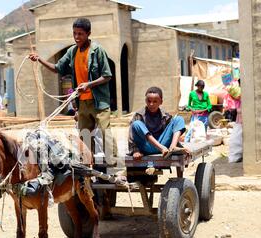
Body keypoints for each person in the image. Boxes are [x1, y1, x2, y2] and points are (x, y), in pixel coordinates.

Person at [29, 17, 116, 161]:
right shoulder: (72, 52)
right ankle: (91, 167)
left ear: (88, 33)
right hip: (82, 102)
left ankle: (116, 168)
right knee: (85, 137)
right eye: (74, 33)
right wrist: (39, 59)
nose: (76, 37)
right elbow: (57, 68)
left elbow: (107, 76)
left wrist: (88, 84)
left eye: (80, 34)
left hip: (98, 101)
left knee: (105, 132)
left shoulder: (97, 50)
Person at [128, 87, 189, 160]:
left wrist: (180, 148)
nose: (151, 104)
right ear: (145, 101)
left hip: (163, 145)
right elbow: (131, 137)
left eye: (155, 101)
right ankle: (162, 148)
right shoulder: (138, 115)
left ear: (161, 102)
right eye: (149, 101)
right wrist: (135, 151)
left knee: (179, 119)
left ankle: (173, 147)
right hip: (146, 146)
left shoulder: (166, 116)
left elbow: (171, 133)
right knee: (136, 124)